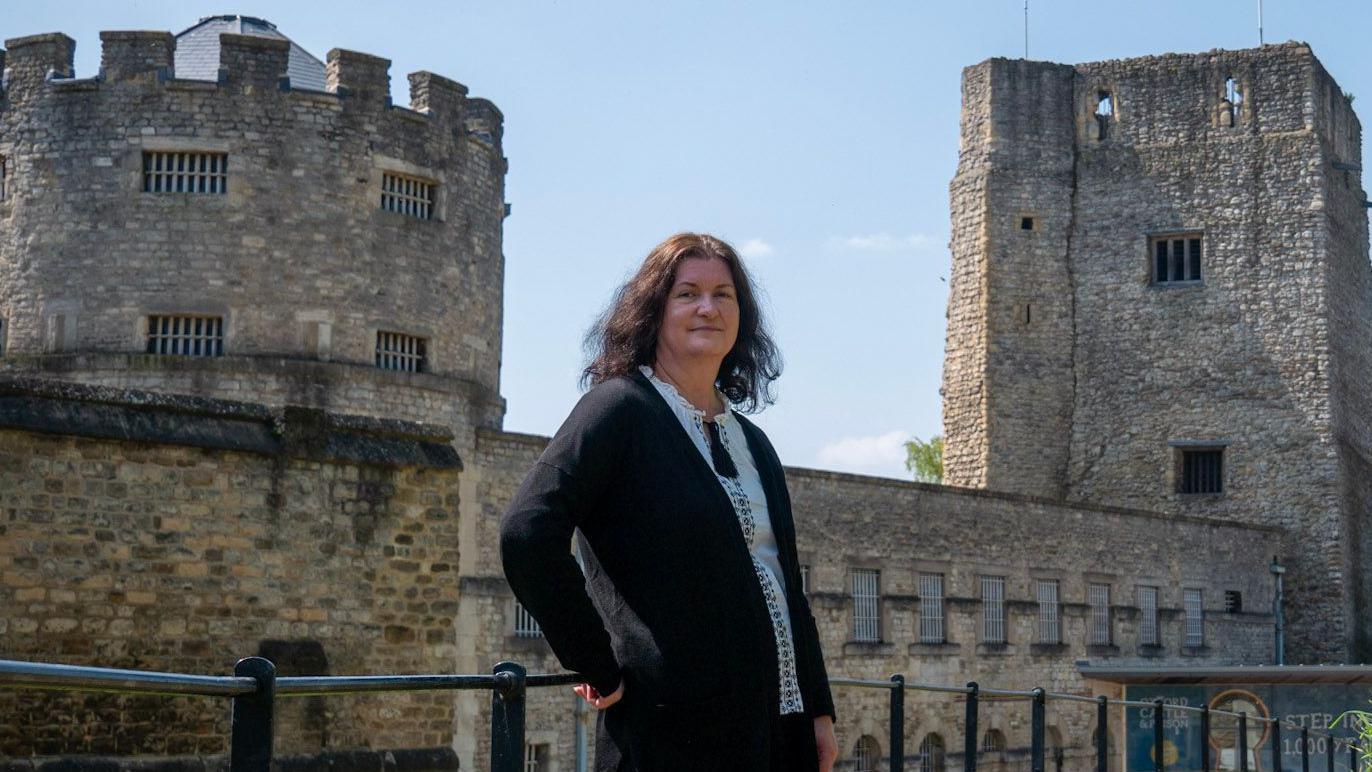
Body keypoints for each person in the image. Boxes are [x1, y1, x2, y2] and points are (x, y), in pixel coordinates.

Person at [500, 233, 838, 771]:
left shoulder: (753, 443)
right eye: (688, 294)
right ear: (654, 310)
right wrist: (596, 662)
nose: (708, 308)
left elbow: (784, 586)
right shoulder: (618, 410)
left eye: (724, 295)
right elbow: (526, 532)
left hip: (780, 732)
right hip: (671, 736)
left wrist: (818, 710)